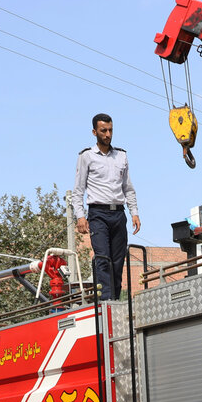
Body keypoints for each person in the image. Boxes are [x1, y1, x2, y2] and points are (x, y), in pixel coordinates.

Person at [70, 113, 140, 300]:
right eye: (103, 130)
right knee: (103, 259)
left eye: (110, 130)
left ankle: (116, 301)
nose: (108, 134)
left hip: (119, 214)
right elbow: (78, 190)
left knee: (118, 262)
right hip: (98, 214)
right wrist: (80, 216)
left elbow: (128, 187)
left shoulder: (121, 155)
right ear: (95, 132)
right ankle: (106, 302)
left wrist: (134, 212)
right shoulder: (87, 156)